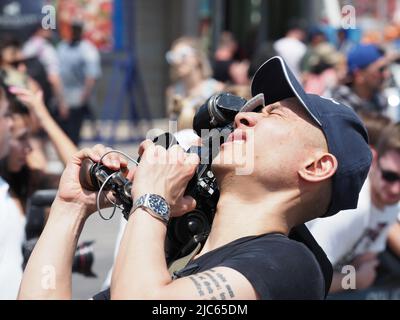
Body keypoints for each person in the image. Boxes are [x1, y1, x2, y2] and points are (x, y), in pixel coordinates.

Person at [18, 57, 371, 300]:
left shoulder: (291, 267)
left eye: (274, 116)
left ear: (316, 166)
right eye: (255, 111)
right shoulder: (174, 274)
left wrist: (152, 200)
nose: (245, 118)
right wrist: (71, 206)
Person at [308, 117, 400, 294]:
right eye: (390, 176)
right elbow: (306, 282)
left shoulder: (389, 203)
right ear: (374, 159)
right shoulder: (353, 209)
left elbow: (369, 256)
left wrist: (362, 271)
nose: (396, 189)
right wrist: (355, 280)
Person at [57, 21, 101, 145]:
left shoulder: (87, 49)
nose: (74, 32)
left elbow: (91, 75)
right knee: (62, 131)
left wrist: (84, 96)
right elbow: (56, 72)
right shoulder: (62, 47)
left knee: (74, 132)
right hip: (63, 94)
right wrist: (60, 98)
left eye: (77, 29)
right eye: (73, 29)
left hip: (78, 94)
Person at [165, 37, 224, 130]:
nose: (177, 61)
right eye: (173, 57)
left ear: (197, 57)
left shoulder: (217, 89)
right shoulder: (173, 92)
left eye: (182, 55)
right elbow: (172, 128)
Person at [328, 44, 390, 114]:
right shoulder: (338, 107)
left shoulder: (381, 101)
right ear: (359, 74)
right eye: (381, 69)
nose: (386, 74)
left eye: (387, 68)